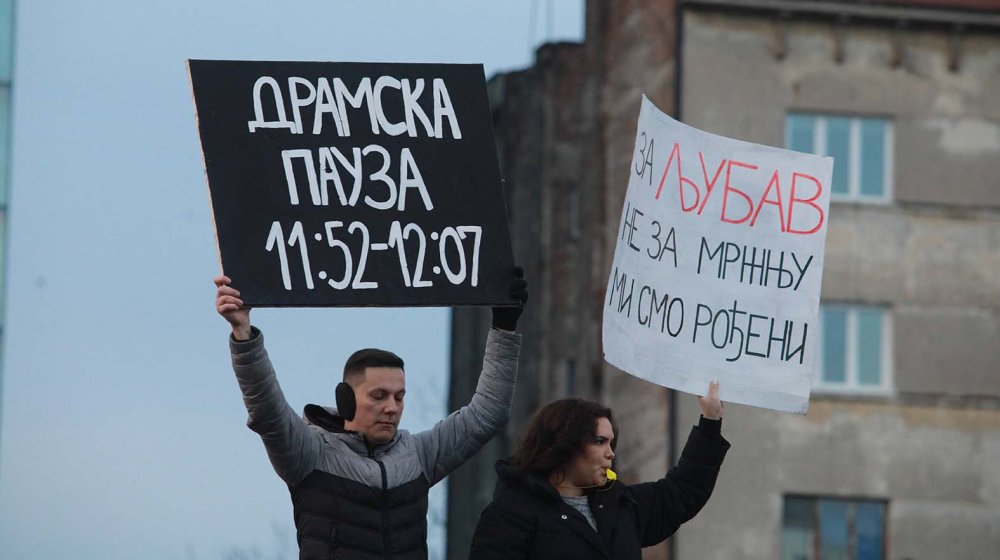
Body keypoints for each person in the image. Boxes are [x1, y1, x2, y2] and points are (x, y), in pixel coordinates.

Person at [213, 268, 528, 560]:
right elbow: (268, 411)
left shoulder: (419, 455)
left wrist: (505, 326)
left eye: (399, 396)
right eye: (379, 396)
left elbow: (488, 413)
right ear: (346, 399)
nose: (392, 407)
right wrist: (243, 331)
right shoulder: (310, 453)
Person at [468, 382, 729, 559]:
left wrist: (710, 421)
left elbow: (682, 491)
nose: (611, 453)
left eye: (612, 443)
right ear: (565, 445)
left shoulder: (621, 505)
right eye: (599, 441)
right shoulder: (511, 514)